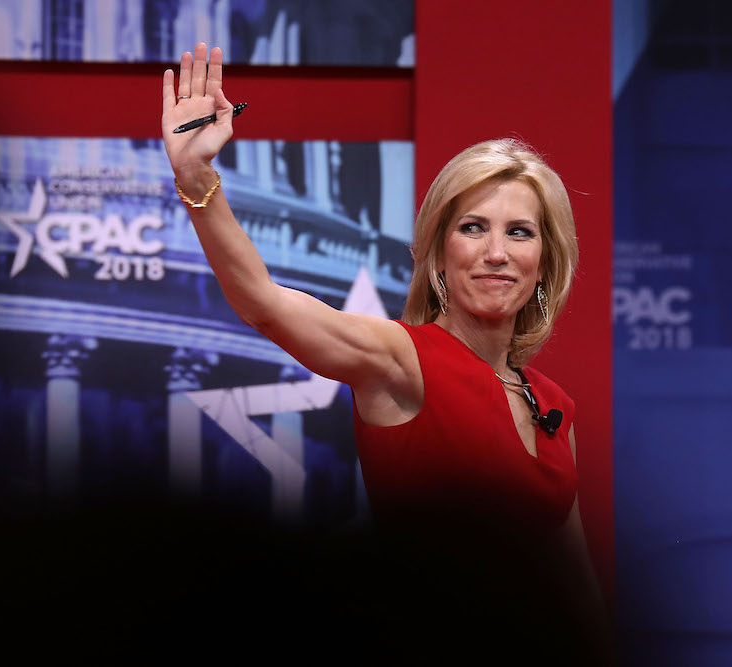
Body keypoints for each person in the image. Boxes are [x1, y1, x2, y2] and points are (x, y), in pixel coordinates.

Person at [162, 43, 614, 663]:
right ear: (438, 255)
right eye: (472, 227)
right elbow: (263, 302)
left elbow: (578, 591)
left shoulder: (555, 408)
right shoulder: (402, 360)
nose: (496, 252)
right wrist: (197, 179)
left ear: (544, 264)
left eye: (519, 232)